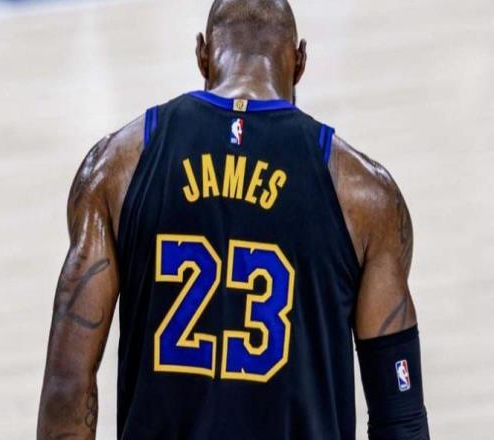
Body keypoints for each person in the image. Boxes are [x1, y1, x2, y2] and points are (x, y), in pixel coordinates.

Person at [37, 1, 430, 439]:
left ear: (202, 55)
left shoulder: (115, 168)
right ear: (300, 61)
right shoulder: (365, 195)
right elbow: (400, 416)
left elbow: (67, 387)